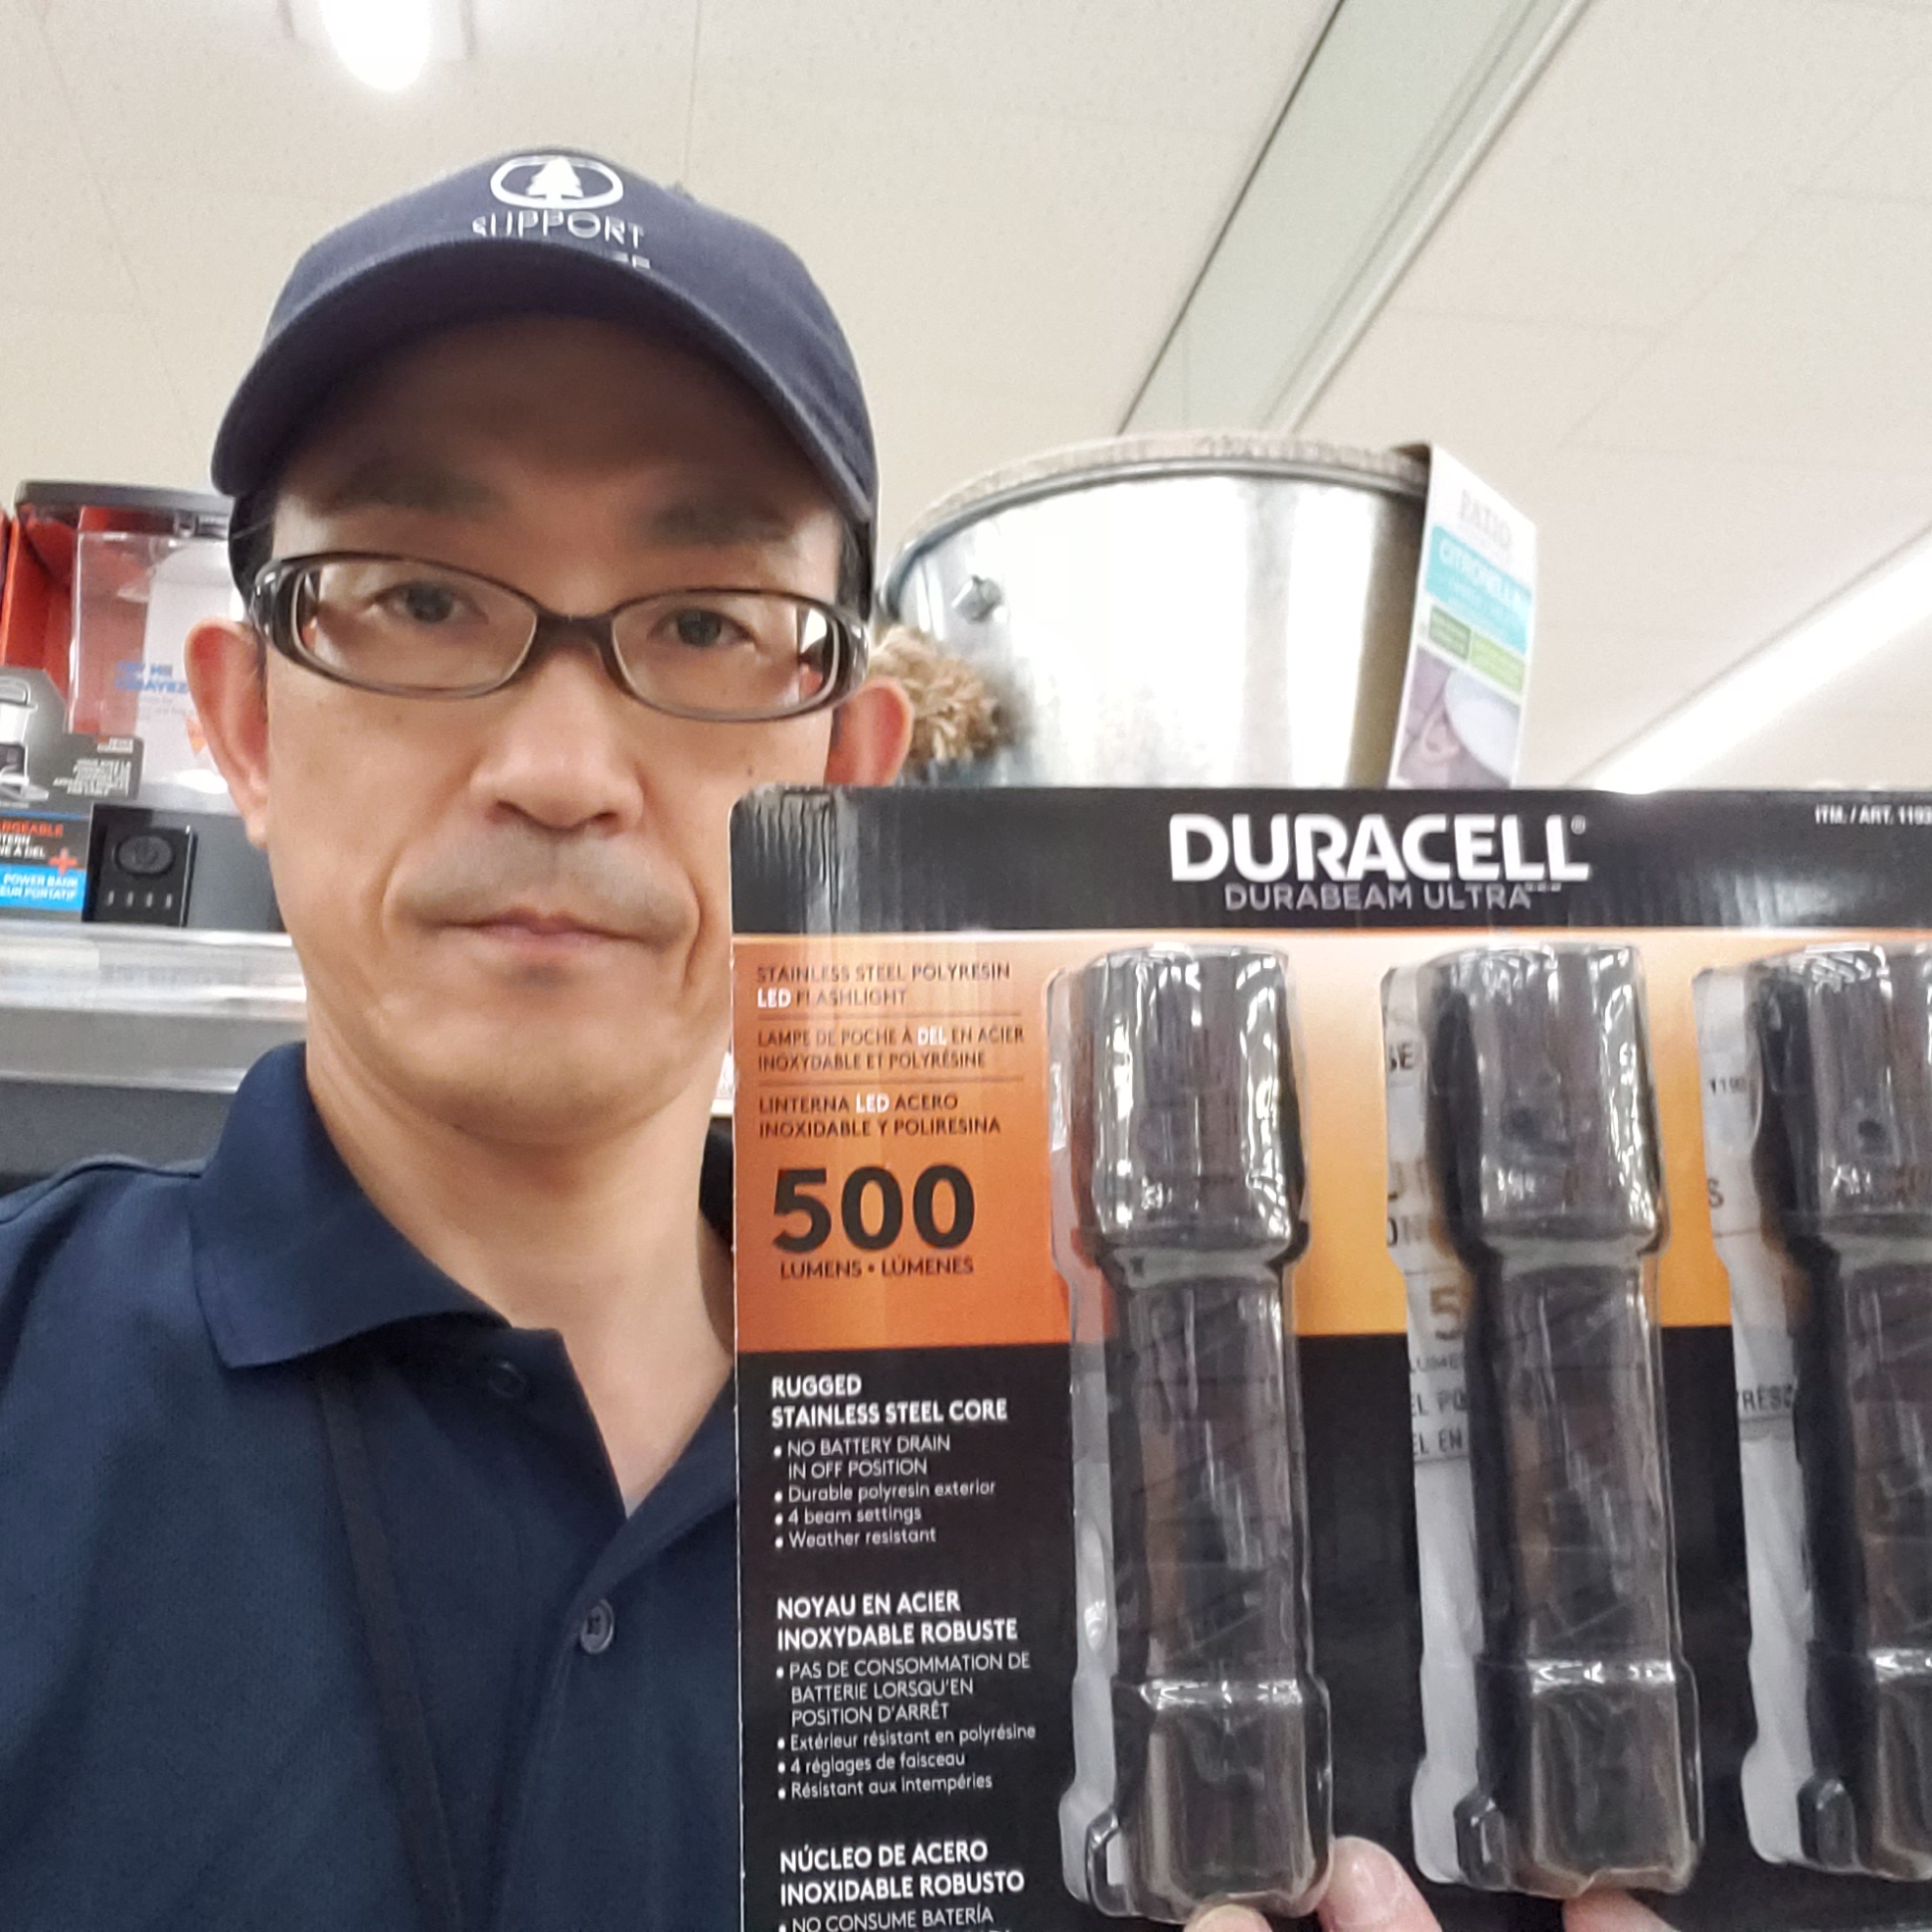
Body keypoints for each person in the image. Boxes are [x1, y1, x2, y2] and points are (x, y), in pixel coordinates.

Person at [0, 148, 1659, 1932]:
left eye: (705, 625)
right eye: (417, 596)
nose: (557, 772)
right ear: (248, 724)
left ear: (848, 785)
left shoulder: (1128, 1458)